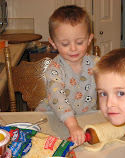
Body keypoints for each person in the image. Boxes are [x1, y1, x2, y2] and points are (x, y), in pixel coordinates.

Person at [35, 5, 100, 145]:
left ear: (89, 39)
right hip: (53, 118)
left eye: (79, 42)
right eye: (65, 44)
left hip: (84, 119)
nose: (73, 48)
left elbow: (115, 83)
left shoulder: (98, 65)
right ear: (53, 43)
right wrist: (72, 125)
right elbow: (58, 98)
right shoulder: (55, 69)